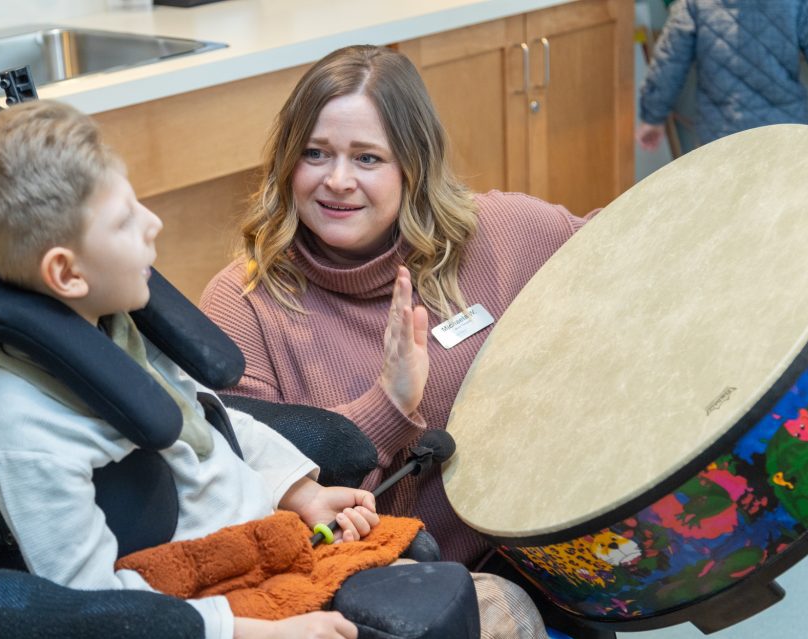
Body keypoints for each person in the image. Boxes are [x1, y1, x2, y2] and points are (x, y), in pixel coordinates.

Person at [0, 100, 569, 639]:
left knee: (502, 610)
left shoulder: (118, 334)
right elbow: (94, 615)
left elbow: (221, 425)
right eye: (125, 220)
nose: (153, 223)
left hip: (276, 560)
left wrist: (302, 492)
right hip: (207, 630)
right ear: (68, 274)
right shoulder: (28, 435)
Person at [200, 44, 594, 571]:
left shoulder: (500, 233)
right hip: (381, 591)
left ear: (414, 167)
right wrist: (387, 405)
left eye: (367, 158)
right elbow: (256, 505)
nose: (337, 180)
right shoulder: (242, 307)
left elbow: (629, 246)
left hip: (539, 552)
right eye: (315, 153)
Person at [636, 0, 808, 151]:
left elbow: (669, 62)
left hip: (720, 137)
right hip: (786, 132)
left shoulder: (694, 4)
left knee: (728, 215)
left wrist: (652, 118)